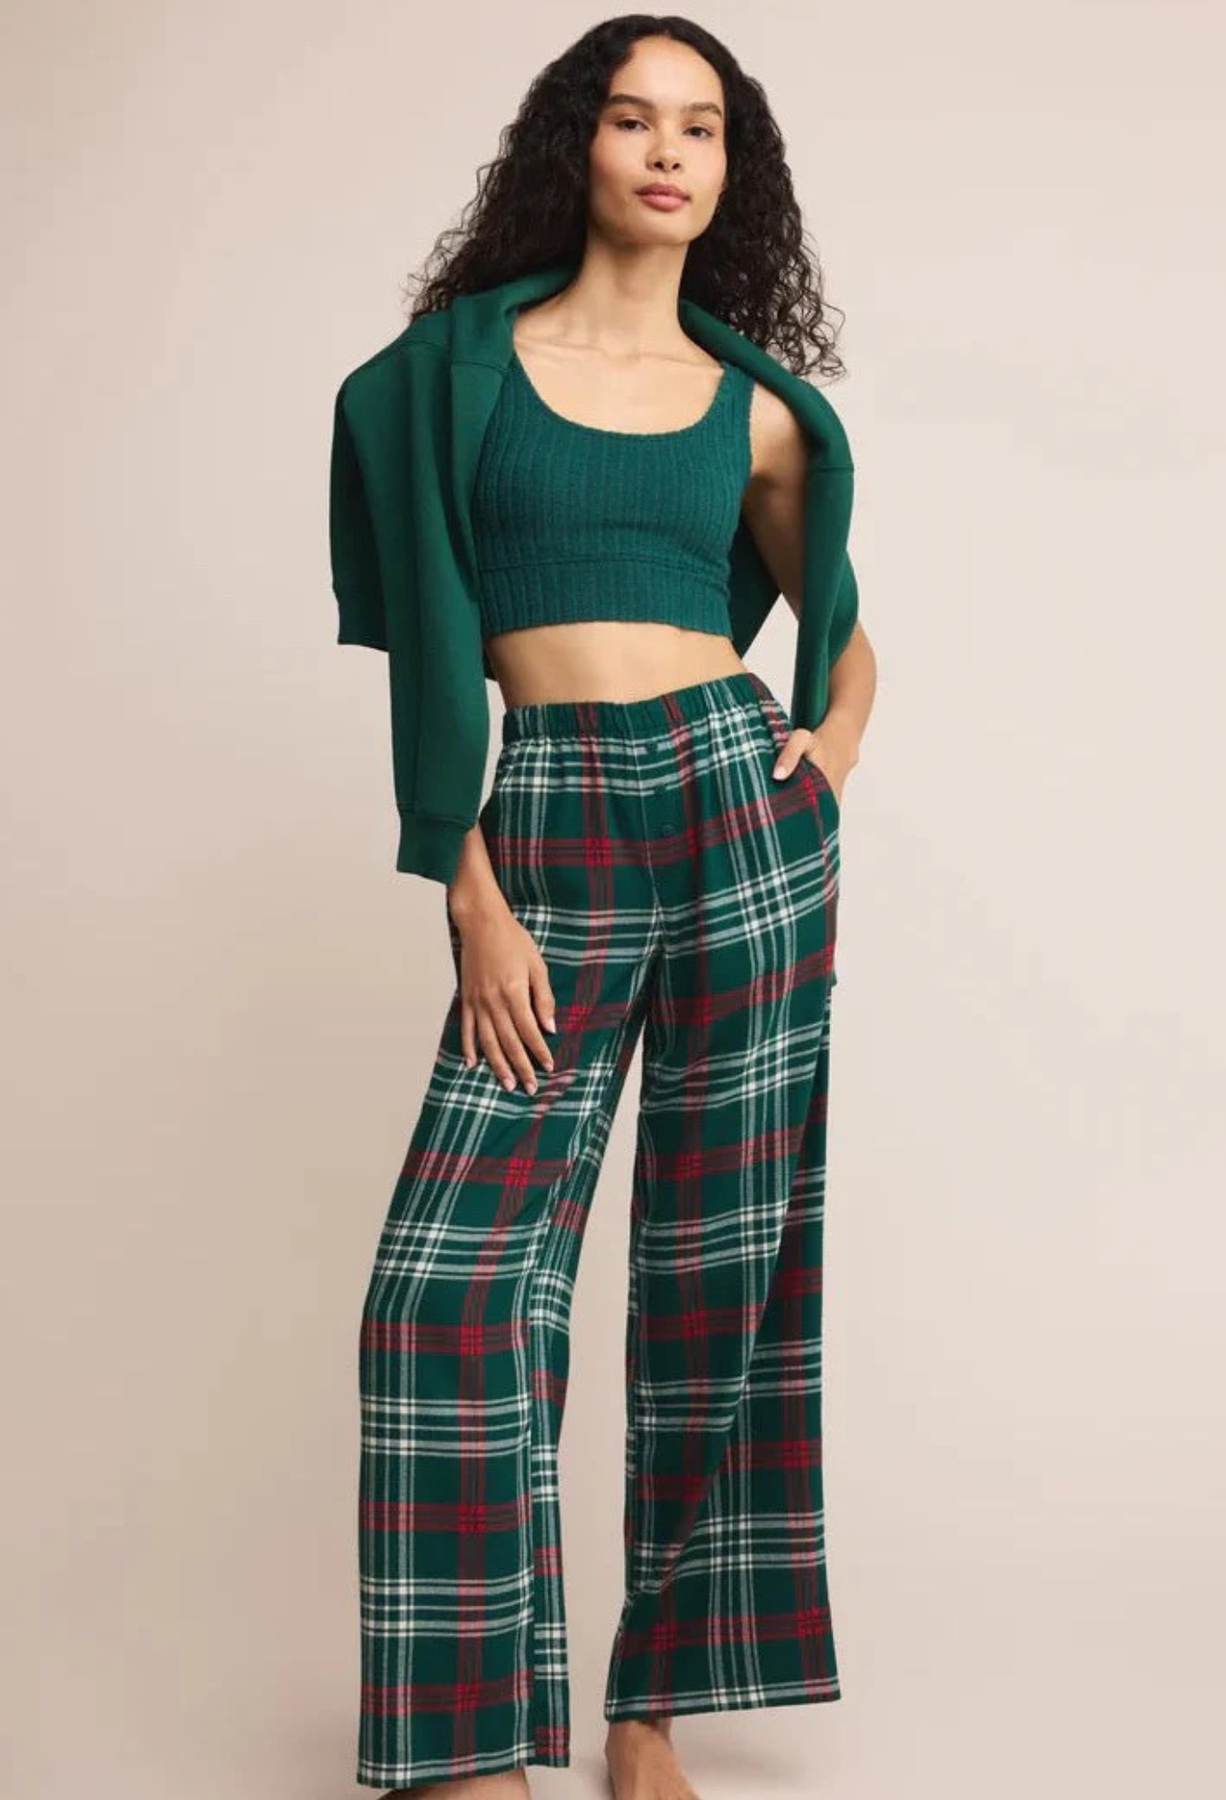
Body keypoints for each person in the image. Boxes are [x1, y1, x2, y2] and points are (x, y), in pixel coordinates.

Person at [328, 18, 877, 1800]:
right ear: (578, 144)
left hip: (741, 812)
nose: (665, 152)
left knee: (724, 1268)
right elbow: (429, 653)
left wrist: (819, 767)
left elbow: (846, 640)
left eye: (700, 128)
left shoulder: (761, 411)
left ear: (731, 171)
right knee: (446, 1293)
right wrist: (467, 883)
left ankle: (649, 1715)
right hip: (547, 811)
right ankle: (471, 1746)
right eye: (633, 118)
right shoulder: (453, 376)